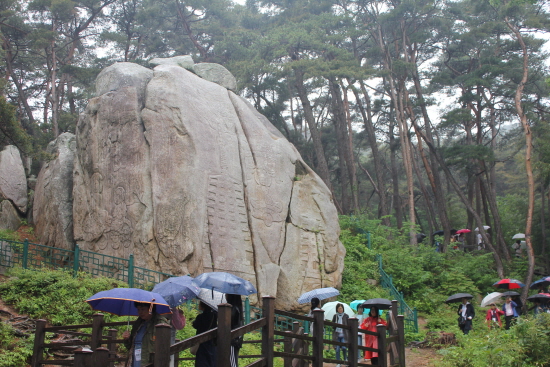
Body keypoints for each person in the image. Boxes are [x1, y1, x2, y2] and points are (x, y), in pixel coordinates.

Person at [123, 302, 169, 367]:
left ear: (150, 309)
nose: (140, 312)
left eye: (142, 309)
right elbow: (130, 346)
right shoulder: (138, 323)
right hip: (135, 359)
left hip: (149, 361)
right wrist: (127, 339)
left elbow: (164, 346)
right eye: (138, 309)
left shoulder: (160, 322)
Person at [192, 301, 218, 367]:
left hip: (201, 343)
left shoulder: (200, 317)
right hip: (212, 342)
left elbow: (195, 325)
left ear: (203, 305)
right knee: (211, 361)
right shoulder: (214, 316)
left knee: (202, 362)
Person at [225, 294, 244, 367]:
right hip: (236, 339)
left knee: (233, 362)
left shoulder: (233, 309)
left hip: (233, 340)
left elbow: (229, 323)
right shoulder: (237, 308)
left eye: (227, 294)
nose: (225, 295)